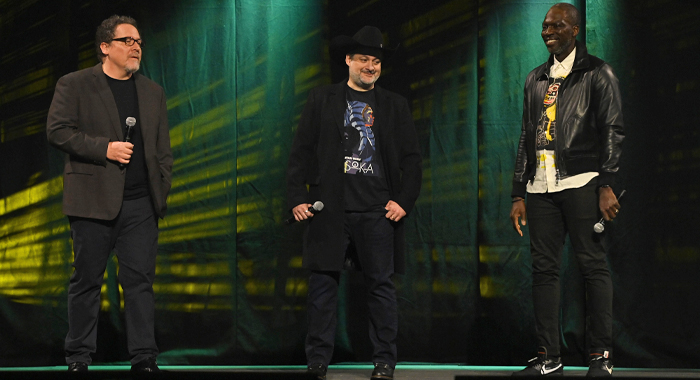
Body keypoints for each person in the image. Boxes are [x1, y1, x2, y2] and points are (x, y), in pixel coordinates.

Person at [286, 26, 422, 380]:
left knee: (380, 287)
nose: (370, 66)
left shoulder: (394, 105)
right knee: (322, 287)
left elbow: (413, 160)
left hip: (378, 212)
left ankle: (384, 362)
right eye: (363, 59)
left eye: (375, 61)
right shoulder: (322, 99)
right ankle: (317, 361)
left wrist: (403, 201)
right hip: (329, 210)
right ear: (348, 60)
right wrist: (298, 198)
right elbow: (300, 153)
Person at [47, 15, 172, 373]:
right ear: (105, 47)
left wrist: (159, 190)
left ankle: (144, 357)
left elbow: (162, 149)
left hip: (140, 205)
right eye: (127, 41)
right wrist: (105, 149)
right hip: (91, 202)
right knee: (86, 281)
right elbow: (57, 131)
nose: (136, 47)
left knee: (139, 284)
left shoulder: (152, 92)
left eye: (139, 42)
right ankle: (78, 357)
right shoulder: (74, 84)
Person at [509, 3, 624, 378]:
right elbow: (527, 134)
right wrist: (517, 192)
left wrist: (606, 183)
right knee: (543, 270)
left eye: (556, 25)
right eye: (544, 26)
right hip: (540, 184)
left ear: (575, 30)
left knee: (591, 265)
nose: (547, 31)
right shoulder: (535, 78)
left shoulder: (597, 72)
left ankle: (600, 356)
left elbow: (613, 129)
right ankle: (549, 357)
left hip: (580, 180)